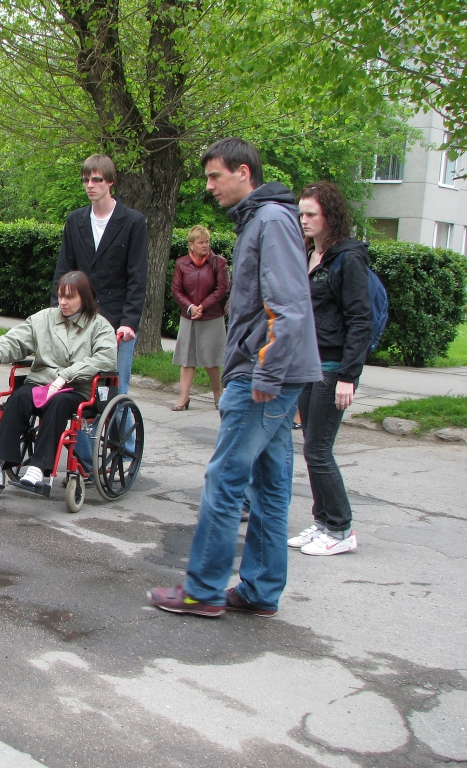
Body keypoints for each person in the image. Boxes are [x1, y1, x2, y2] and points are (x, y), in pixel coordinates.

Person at [148, 138, 321, 618]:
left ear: (243, 172)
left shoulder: (269, 221)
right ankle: (260, 590)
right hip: (271, 369)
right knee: (268, 482)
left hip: (264, 373)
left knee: (225, 477)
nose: (208, 187)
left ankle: (202, 589)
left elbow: (286, 307)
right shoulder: (265, 220)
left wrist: (266, 369)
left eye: (214, 177)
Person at [0, 272, 117, 491]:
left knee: (58, 404)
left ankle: (38, 469)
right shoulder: (43, 319)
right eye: (60, 296)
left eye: (70, 297)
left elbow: (105, 358)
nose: (62, 302)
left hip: (77, 388)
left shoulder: (99, 326)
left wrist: (67, 375)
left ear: (85, 298)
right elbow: (14, 340)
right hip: (42, 382)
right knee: (18, 397)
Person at [288, 181, 373, 556]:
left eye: (311, 214)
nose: (304, 220)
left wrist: (348, 376)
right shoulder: (310, 254)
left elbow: (360, 320)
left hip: (332, 366)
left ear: (330, 216)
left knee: (319, 450)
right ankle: (323, 522)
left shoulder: (348, 258)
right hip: (308, 363)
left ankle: (340, 529)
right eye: (301, 213)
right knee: (311, 448)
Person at [51, 154, 148, 466]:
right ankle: (86, 457)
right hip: (79, 321)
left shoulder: (132, 222)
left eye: (96, 180)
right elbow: (64, 271)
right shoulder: (75, 221)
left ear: (110, 182)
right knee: (80, 389)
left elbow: (138, 277)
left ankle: (126, 451)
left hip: (117, 320)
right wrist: (58, 313)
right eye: (86, 180)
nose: (90, 185)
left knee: (115, 389)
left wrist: (130, 322)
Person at [170, 225, 230, 410]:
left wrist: (203, 306)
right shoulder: (182, 263)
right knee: (187, 359)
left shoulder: (218, 262)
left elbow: (222, 289)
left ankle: (218, 395)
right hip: (189, 317)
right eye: (201, 242)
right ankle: (183, 398)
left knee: (211, 360)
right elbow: (176, 289)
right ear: (191, 245)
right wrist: (190, 307)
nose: (205, 245)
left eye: (207, 242)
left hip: (211, 316)